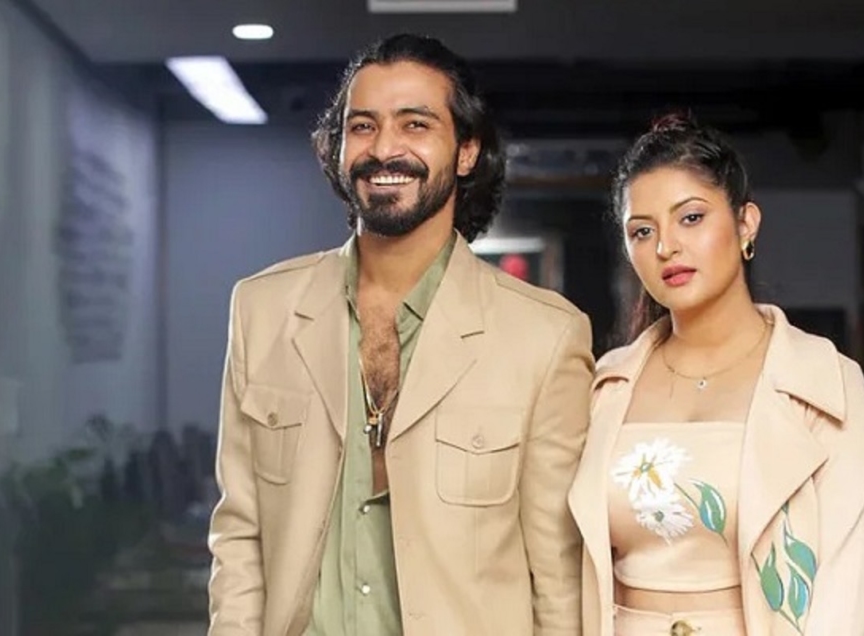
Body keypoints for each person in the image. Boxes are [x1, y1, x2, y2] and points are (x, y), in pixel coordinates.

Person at [207, 34, 593, 636]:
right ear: (338, 148)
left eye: (416, 125)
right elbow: (240, 536)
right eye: (362, 126)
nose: (384, 148)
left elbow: (558, 582)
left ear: (466, 151)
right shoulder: (263, 310)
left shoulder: (545, 336)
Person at [568, 113, 864, 635]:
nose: (666, 247)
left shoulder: (824, 386)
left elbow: (849, 596)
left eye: (691, 218)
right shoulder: (605, 387)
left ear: (746, 224)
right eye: (642, 231)